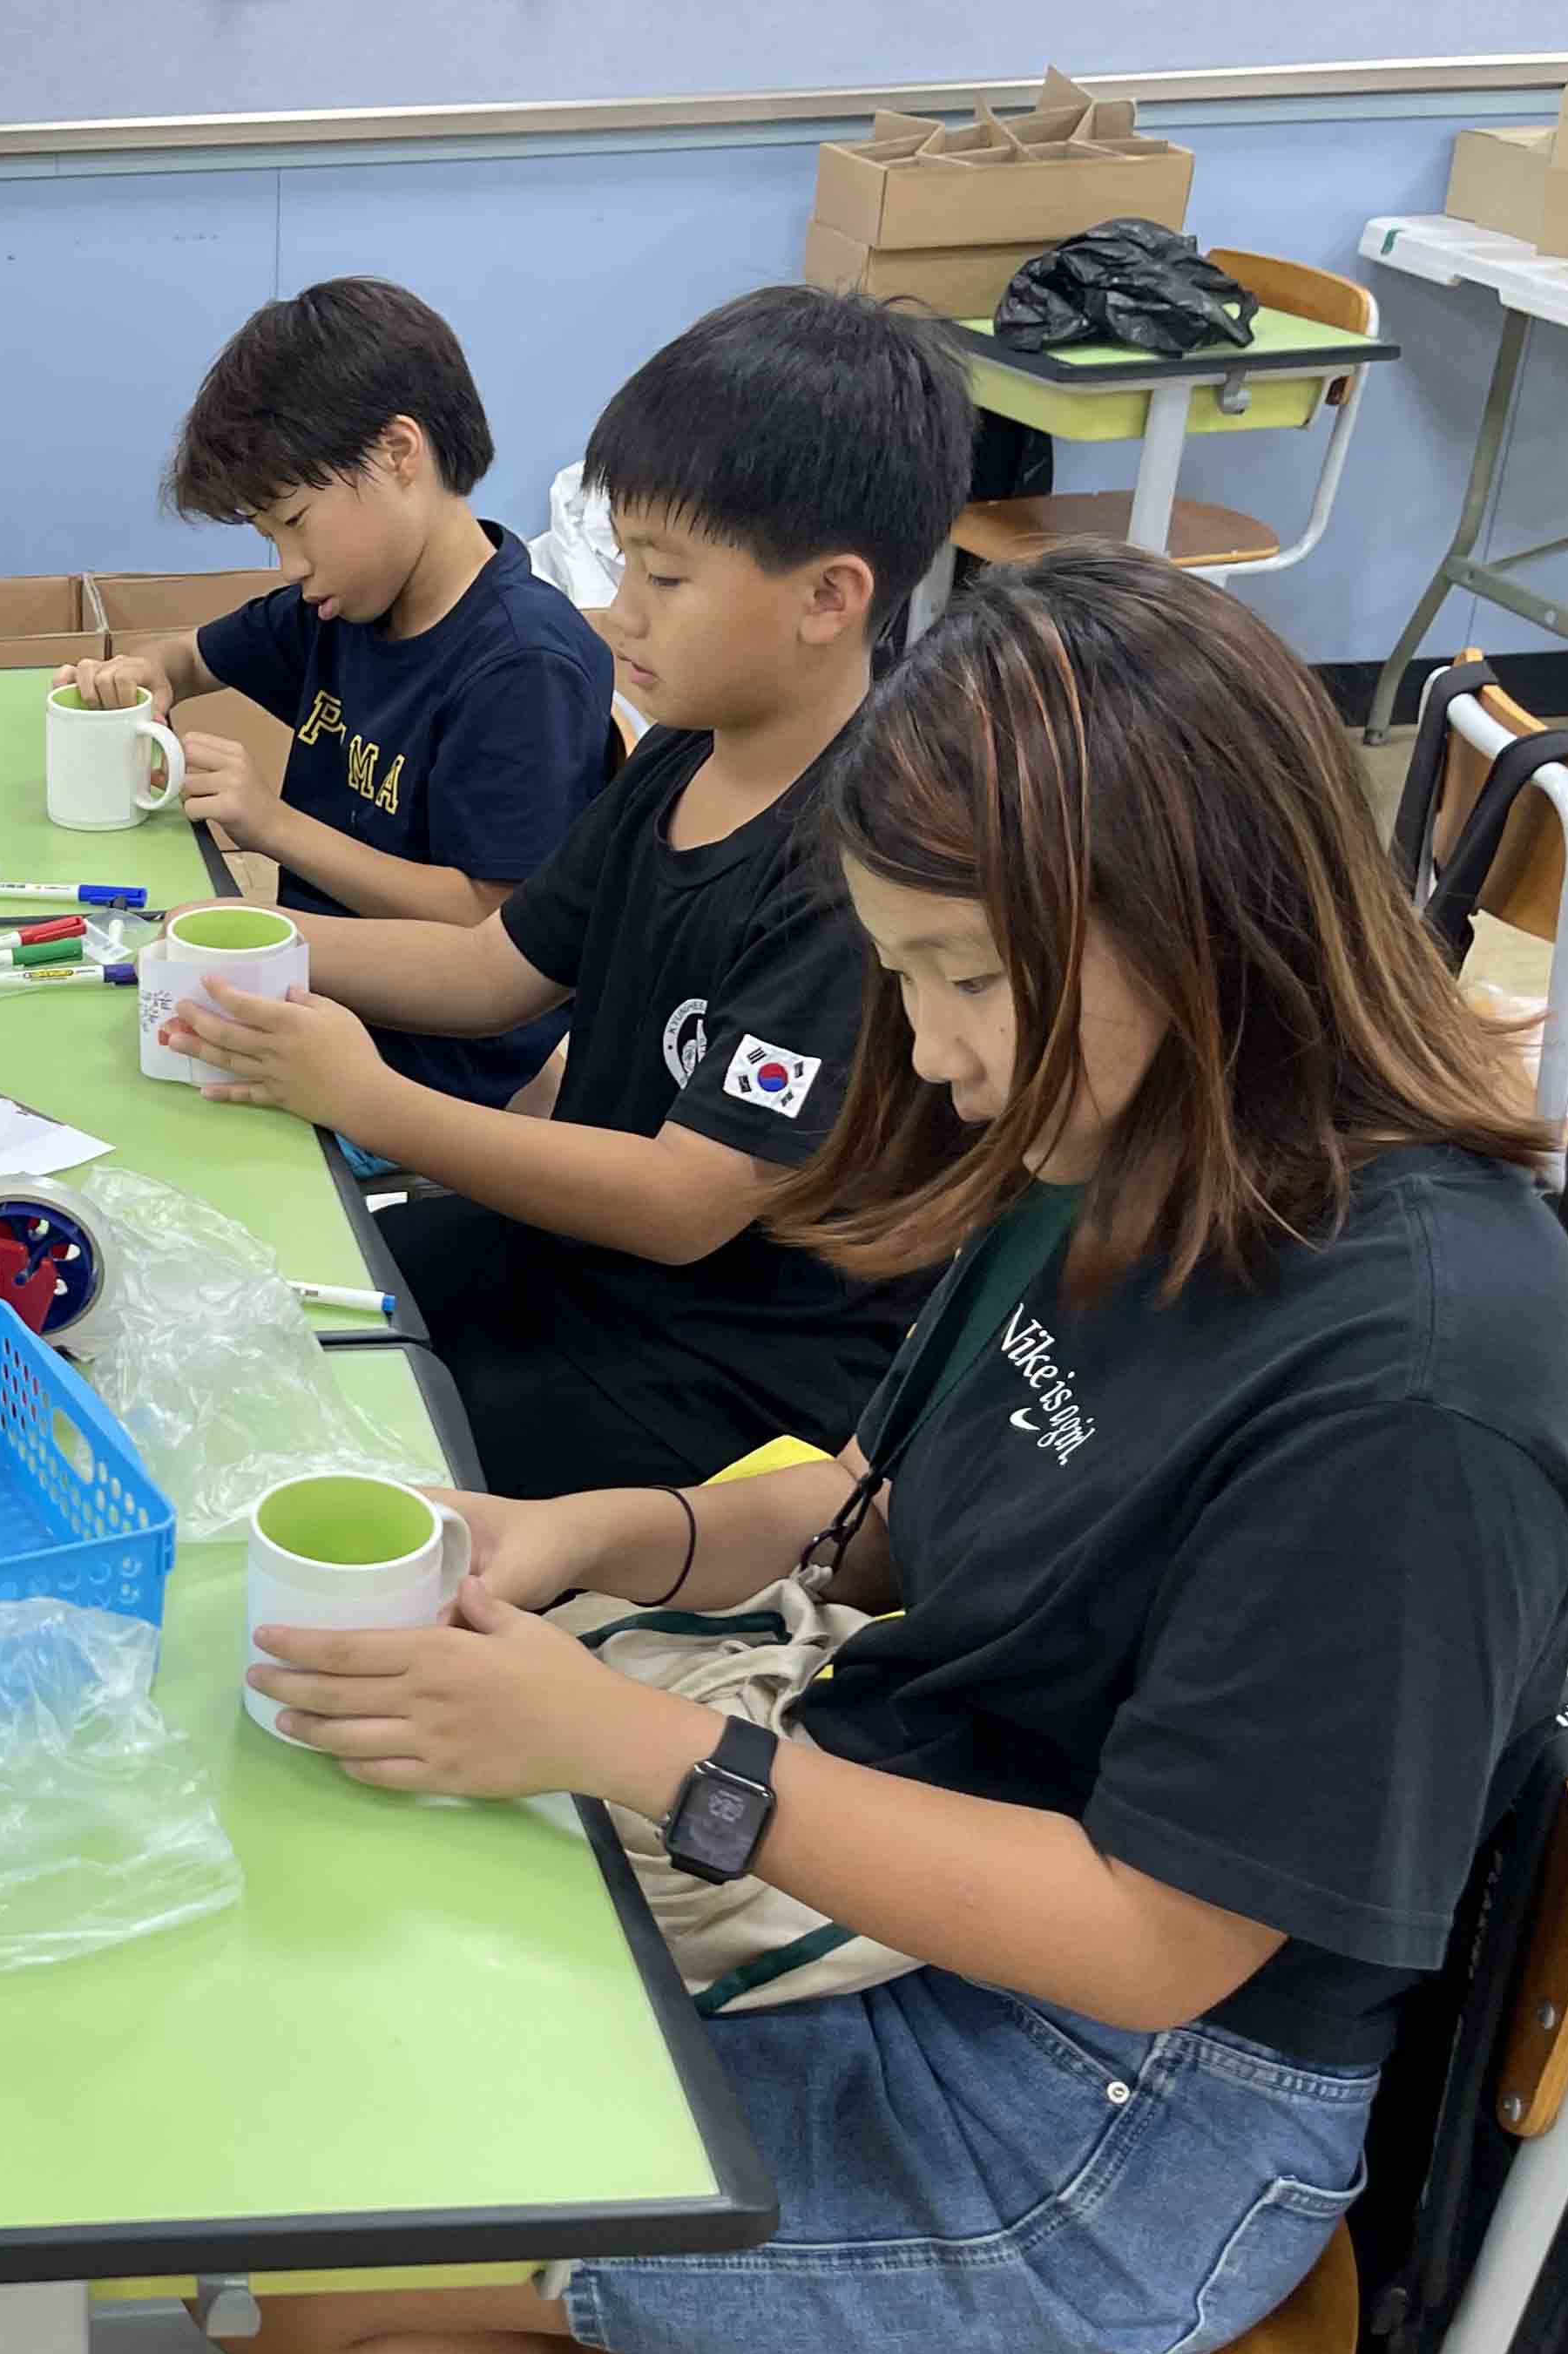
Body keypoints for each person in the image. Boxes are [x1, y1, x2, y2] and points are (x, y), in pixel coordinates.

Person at [233, 546, 1568, 2354]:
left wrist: (633, 1740)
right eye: (901, 974)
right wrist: (602, 1536)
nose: (935, 1048)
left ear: (1197, 912)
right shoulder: (1125, 1133)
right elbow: (875, 1504)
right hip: (919, 1877)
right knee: (345, 1979)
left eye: (967, 976)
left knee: (291, 2264)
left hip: (1119, 2134)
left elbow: (1155, 1945)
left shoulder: (1414, 1382)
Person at [166, 287, 971, 1498]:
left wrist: (370, 1100)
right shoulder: (685, 752)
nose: (619, 612)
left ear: (828, 597)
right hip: (578, 1261)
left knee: (328, 1457)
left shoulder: (860, 863)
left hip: (723, 1373)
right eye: (624, 564)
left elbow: (685, 1204)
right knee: (245, 1304)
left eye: (666, 578)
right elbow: (497, 969)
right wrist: (238, 944)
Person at [68, 275, 610, 1118]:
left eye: (296, 523)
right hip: (317, 1014)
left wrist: (275, 826)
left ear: (399, 453)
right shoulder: (345, 604)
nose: (289, 565)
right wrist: (140, 679)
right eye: (268, 537)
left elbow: (492, 926)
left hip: (425, 1083)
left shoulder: (522, 667)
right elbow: (181, 657)